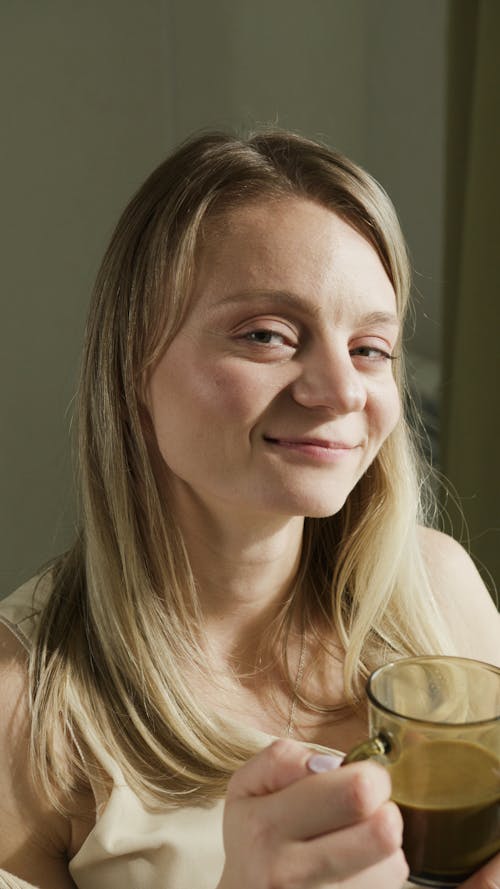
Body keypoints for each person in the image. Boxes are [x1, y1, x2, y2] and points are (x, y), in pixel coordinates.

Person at [0, 130, 498, 889]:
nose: (339, 390)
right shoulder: (23, 706)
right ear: (133, 364)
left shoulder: (441, 590)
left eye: (370, 347)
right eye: (267, 334)